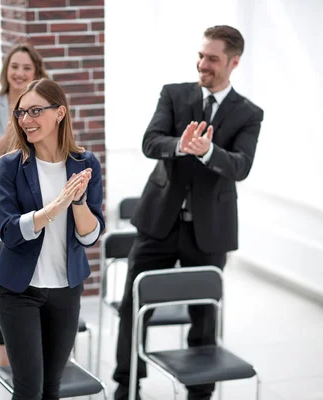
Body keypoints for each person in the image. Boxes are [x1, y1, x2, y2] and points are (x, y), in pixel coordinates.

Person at [112, 25, 264, 400]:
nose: (202, 64)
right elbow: (151, 141)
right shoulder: (174, 94)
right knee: (135, 305)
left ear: (233, 62)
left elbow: (241, 166)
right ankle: (126, 384)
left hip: (209, 231)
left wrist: (208, 152)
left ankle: (201, 392)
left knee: (204, 316)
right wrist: (179, 145)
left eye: (212, 58)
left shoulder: (248, 113)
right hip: (158, 223)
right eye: (200, 56)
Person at [0, 78, 105, 400]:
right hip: (19, 291)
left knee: (53, 387)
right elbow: (9, 233)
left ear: (60, 114)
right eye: (21, 112)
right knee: (29, 389)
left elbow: (90, 237)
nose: (26, 120)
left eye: (35, 111)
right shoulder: (11, 166)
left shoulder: (86, 164)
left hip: (66, 289)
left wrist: (79, 202)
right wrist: (56, 207)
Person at [0, 42, 48, 366]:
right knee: (2, 279)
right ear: (7, 70)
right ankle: (5, 354)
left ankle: (40, 345)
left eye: (26, 68)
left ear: (36, 73)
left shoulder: (45, 106)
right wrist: (7, 137)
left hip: (38, 206)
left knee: (38, 274)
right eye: (14, 66)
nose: (19, 73)